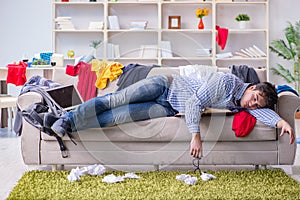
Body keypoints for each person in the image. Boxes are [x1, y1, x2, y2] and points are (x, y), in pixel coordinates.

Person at [50, 72, 295, 158]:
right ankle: (66, 119)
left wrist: (282, 121)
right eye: (254, 99)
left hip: (166, 108)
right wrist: (195, 135)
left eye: (255, 105)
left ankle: (69, 126)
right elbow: (194, 103)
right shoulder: (226, 83)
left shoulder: (241, 104)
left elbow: (262, 113)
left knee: (117, 118)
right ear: (252, 88)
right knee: (115, 100)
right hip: (164, 86)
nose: (252, 106)